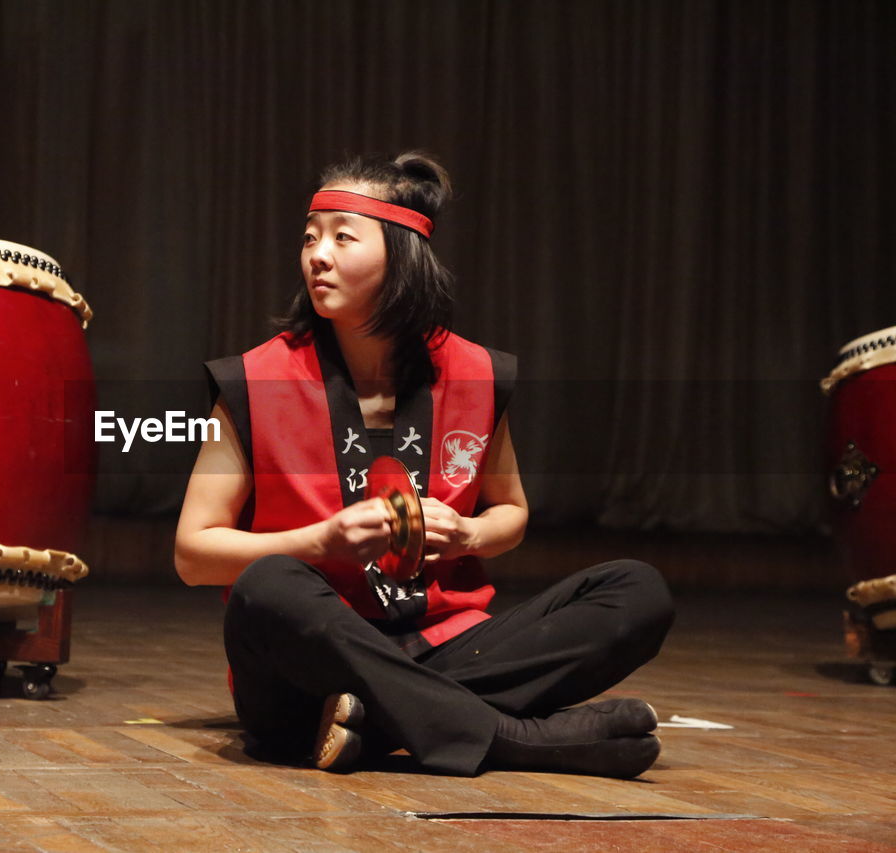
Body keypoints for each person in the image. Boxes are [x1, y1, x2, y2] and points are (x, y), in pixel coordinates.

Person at [174, 151, 674, 778]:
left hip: (445, 643)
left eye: (341, 238)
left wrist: (469, 533)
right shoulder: (253, 379)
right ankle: (514, 736)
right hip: (308, 664)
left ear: (403, 255)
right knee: (268, 585)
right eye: (309, 238)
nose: (316, 255)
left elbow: (511, 513)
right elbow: (193, 553)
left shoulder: (473, 373)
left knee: (636, 590)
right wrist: (319, 541)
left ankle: (379, 721)